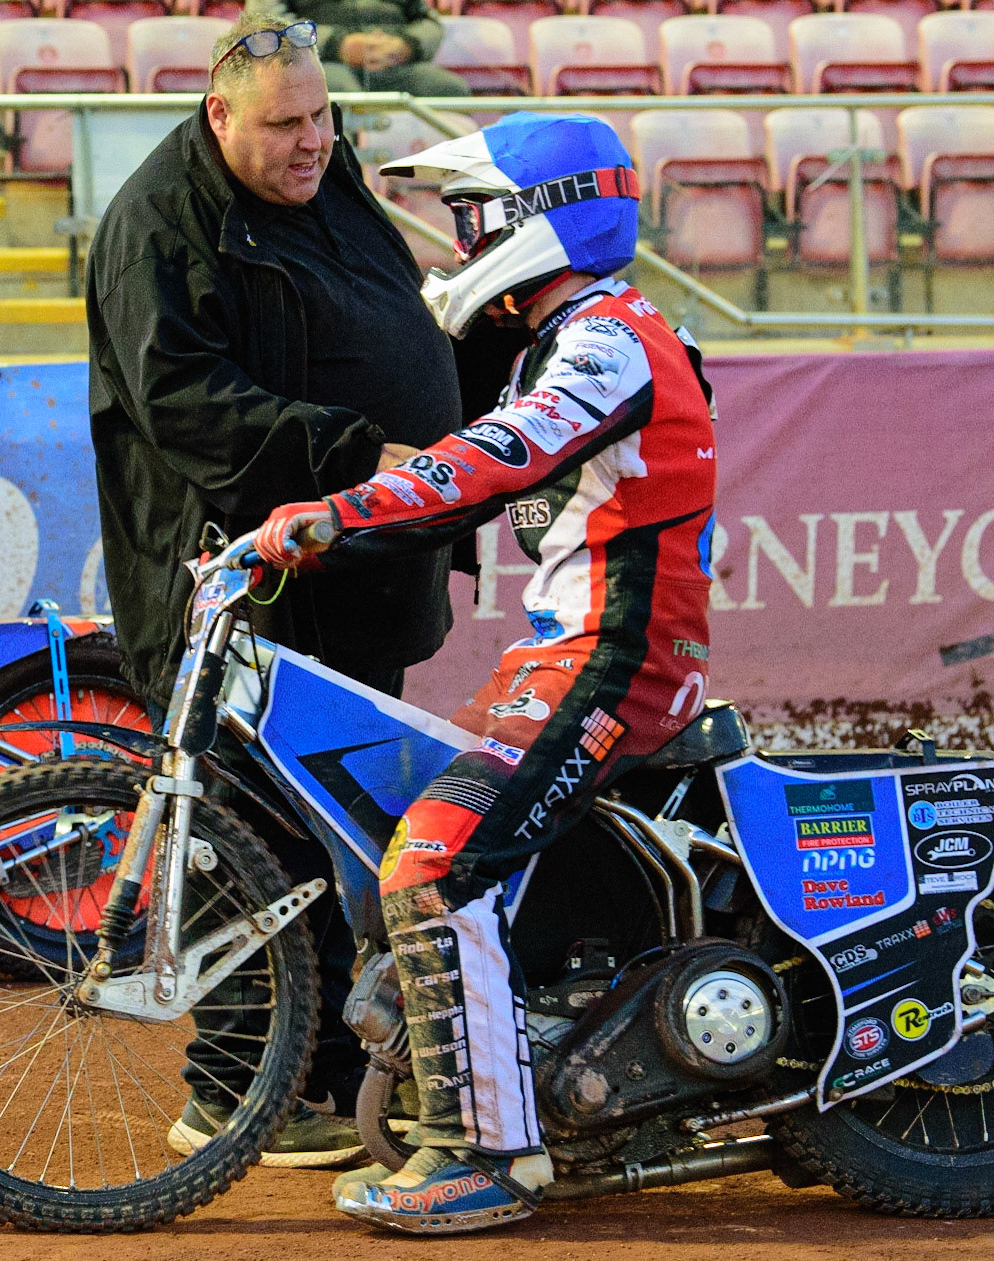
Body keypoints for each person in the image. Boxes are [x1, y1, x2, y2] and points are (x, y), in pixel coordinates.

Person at [254, 112, 718, 1233]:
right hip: (570, 655)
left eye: (474, 221)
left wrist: (335, 510)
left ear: (536, 224)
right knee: (421, 830)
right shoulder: (586, 336)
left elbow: (493, 459)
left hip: (611, 663)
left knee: (431, 863)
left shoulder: (607, 336)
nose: (460, 246)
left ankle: (485, 1157)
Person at [85, 10, 462, 1167]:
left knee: (345, 839)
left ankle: (342, 1075)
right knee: (252, 841)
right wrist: (359, 453)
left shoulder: (323, 175)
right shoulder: (156, 222)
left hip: (355, 570)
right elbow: (186, 403)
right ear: (219, 115)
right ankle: (237, 1085)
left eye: (322, 117)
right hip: (237, 589)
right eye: (285, 124)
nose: (312, 143)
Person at [284, 0, 468, 96]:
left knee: (450, 88)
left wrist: (407, 45)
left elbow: (429, 22)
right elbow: (272, 21)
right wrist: (335, 45)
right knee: (338, 93)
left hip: (395, 63)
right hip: (324, 62)